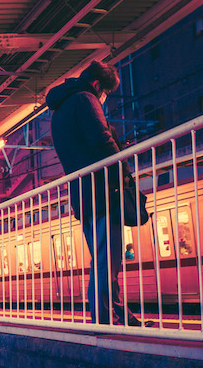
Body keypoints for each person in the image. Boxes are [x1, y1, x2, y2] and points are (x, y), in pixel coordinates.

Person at [46, 60, 151, 327]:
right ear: (97, 85)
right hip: (103, 192)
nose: (104, 99)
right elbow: (100, 140)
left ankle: (120, 316)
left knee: (105, 260)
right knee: (107, 263)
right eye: (104, 93)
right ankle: (105, 320)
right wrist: (124, 176)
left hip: (84, 195)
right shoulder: (85, 99)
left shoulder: (60, 110)